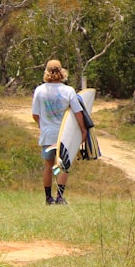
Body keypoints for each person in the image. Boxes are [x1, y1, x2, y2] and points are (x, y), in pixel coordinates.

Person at [32, 59, 86, 205]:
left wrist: (42, 125)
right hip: (65, 135)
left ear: (46, 72)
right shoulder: (68, 91)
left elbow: (35, 114)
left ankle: (48, 198)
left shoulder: (39, 90)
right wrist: (83, 130)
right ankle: (60, 197)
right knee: (63, 166)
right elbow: (78, 113)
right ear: (62, 72)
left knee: (49, 166)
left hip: (48, 134)